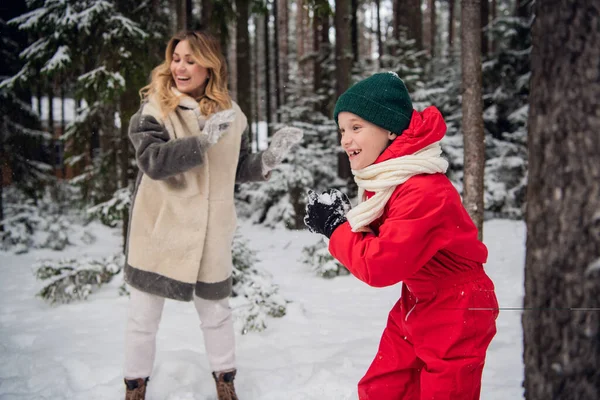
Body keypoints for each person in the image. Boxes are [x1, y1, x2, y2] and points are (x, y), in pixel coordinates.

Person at [123, 30, 303, 400]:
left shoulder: (232, 115)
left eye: (190, 59)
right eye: (176, 58)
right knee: (143, 319)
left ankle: (226, 384)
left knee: (217, 314)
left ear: (210, 65)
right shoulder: (154, 109)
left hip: (210, 232)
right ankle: (134, 387)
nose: (180, 67)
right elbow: (153, 162)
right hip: (160, 229)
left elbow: (235, 168)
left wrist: (266, 162)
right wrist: (201, 142)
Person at [303, 72, 499, 400]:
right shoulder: (388, 182)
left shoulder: (424, 189)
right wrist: (339, 224)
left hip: (458, 307)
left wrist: (337, 228)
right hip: (419, 299)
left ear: (389, 127)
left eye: (356, 127)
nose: (345, 140)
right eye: (342, 130)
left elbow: (381, 264)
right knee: (382, 388)